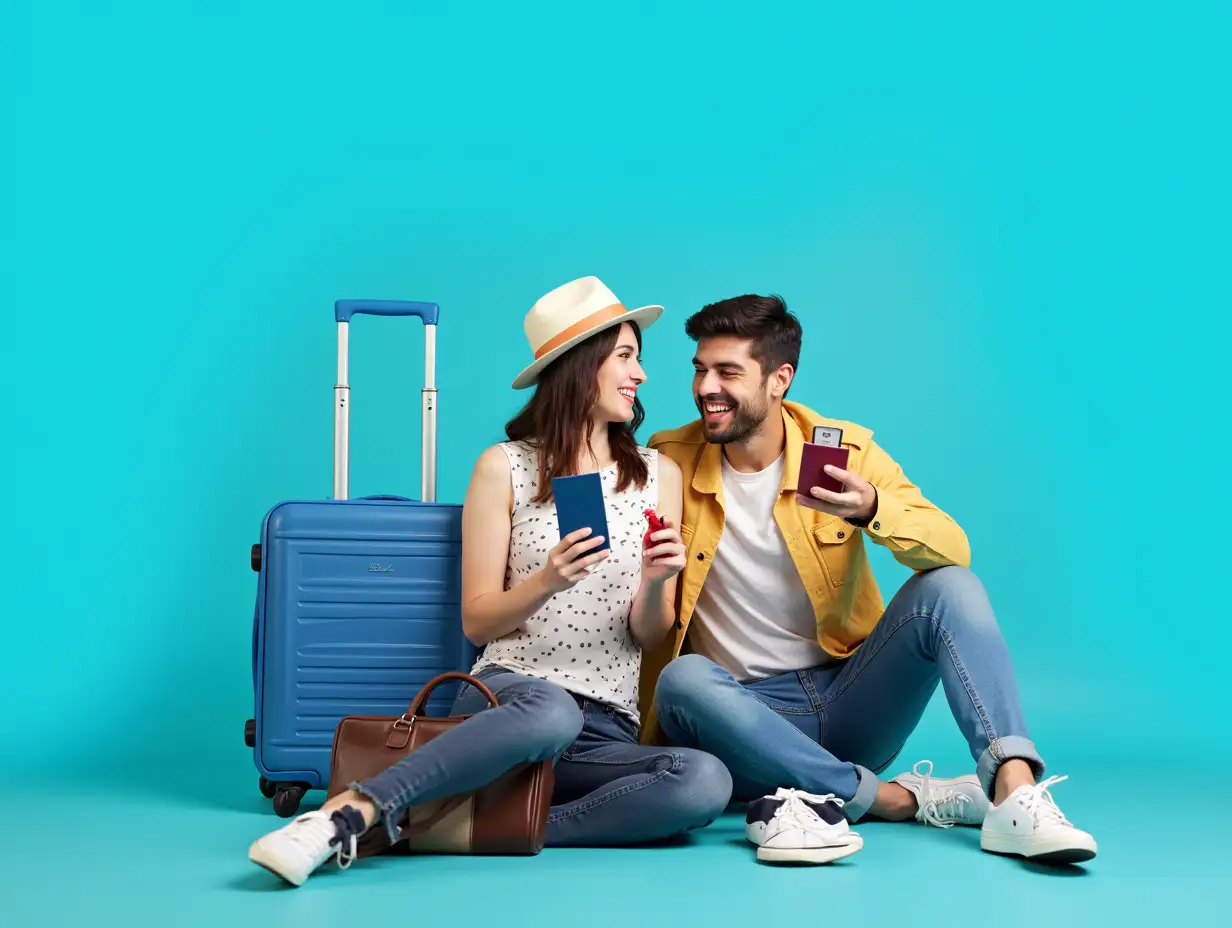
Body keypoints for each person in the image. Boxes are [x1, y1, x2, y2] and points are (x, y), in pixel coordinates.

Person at [248, 276, 732, 886]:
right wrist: (547, 580)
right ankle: (350, 812)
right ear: (581, 368)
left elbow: (648, 634)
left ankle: (444, 825)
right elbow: (477, 620)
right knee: (551, 709)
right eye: (626, 357)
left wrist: (662, 579)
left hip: (603, 726)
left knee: (703, 780)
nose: (641, 375)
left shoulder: (657, 475)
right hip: (510, 698)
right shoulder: (503, 466)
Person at [639, 293, 1097, 866]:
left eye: (728, 372)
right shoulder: (668, 458)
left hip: (847, 699)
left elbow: (954, 548)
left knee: (949, 589)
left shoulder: (845, 448)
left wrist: (871, 507)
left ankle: (1015, 793)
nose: (707, 386)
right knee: (682, 680)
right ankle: (889, 799)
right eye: (700, 369)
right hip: (742, 719)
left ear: (780, 379)